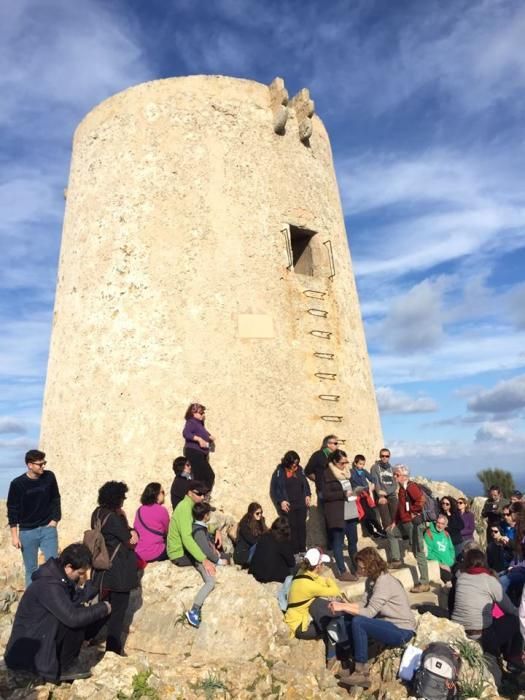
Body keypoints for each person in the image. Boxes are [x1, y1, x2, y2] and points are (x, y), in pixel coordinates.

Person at [5, 543, 110, 682]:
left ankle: (63, 662)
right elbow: (72, 617)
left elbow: (70, 600)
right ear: (68, 567)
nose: (82, 577)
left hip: (38, 637)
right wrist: (103, 608)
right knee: (77, 617)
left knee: (81, 612)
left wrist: (87, 593)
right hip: (27, 656)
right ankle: (64, 666)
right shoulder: (49, 585)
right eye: (80, 573)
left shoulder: (59, 578)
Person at [330, 547, 416, 688]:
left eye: (362, 567)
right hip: (388, 624)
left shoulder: (384, 582)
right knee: (349, 618)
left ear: (371, 566)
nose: (359, 570)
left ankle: (361, 672)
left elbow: (369, 613)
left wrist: (344, 607)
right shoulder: (371, 581)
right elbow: (362, 605)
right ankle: (350, 662)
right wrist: (342, 606)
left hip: (402, 630)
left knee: (359, 622)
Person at [451, 548, 523, 670]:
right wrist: (520, 614)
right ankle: (514, 658)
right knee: (516, 619)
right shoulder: (490, 580)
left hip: (458, 631)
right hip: (482, 635)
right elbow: (509, 609)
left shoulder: (460, 578)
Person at [90, 481, 139, 655]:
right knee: (118, 610)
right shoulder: (114, 518)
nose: (124, 499)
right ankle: (113, 647)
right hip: (118, 569)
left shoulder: (97, 513)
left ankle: (88, 636)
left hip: (102, 568)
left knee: (103, 606)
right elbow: (129, 540)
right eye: (122, 496)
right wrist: (133, 531)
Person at [7, 449, 61, 587]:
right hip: (27, 532)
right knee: (31, 569)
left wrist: (55, 520)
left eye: (44, 463)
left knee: (53, 567)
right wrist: (14, 536)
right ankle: (31, 604)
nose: (43, 466)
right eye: (40, 464)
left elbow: (55, 498)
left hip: (47, 529)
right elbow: (12, 510)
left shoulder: (49, 477)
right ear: (30, 465)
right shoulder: (17, 484)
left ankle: (53, 600)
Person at [167, 482, 218, 628]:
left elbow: (199, 524)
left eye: (204, 494)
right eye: (199, 494)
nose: (202, 497)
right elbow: (187, 538)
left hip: (184, 549)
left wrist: (216, 530)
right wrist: (204, 560)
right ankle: (195, 610)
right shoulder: (184, 508)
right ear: (190, 493)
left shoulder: (190, 506)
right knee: (210, 580)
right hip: (179, 553)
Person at [284, 547, 342, 669]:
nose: (323, 566)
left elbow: (318, 580)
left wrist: (324, 581)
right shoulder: (309, 586)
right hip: (300, 628)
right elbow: (335, 591)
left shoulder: (301, 573)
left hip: (296, 620)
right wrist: (330, 580)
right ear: (317, 566)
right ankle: (332, 656)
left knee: (320, 606)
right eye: (322, 564)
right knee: (331, 622)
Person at [385, 465, 430, 593]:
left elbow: (421, 500)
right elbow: (400, 507)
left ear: (404, 476)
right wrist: (394, 521)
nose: (394, 476)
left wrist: (412, 511)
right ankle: (396, 559)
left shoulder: (411, 487)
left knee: (418, 553)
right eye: (394, 474)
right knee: (390, 532)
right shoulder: (401, 489)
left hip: (413, 524)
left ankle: (424, 583)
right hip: (404, 523)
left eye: (396, 475)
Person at [322, 450, 359, 582]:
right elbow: (325, 495)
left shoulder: (347, 473)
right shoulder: (327, 474)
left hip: (350, 511)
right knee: (338, 542)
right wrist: (343, 494)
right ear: (334, 462)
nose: (344, 465)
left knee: (353, 541)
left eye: (346, 462)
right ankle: (342, 571)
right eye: (342, 463)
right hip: (337, 513)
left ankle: (356, 567)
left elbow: (350, 487)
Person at [270, 451, 311, 555]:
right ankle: (295, 552)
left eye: (297, 463)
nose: (295, 465)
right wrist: (281, 501)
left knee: (301, 526)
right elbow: (276, 489)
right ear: (288, 462)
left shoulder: (299, 470)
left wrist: (307, 495)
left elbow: (305, 483)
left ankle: (302, 550)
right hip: (289, 506)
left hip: (301, 504)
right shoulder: (280, 472)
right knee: (292, 527)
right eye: (293, 463)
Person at [304, 435, 339, 548]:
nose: (337, 445)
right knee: (328, 516)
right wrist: (319, 480)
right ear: (328, 444)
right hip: (324, 491)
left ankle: (339, 540)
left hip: (338, 490)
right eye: (335, 443)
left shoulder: (337, 456)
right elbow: (307, 470)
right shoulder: (318, 456)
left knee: (338, 515)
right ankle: (331, 543)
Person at [248, 516, 295, 583]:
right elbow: (291, 563)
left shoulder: (264, 536)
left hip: (255, 573)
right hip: (270, 578)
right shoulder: (283, 541)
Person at [133, 482, 170, 563]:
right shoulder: (162, 510)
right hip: (156, 552)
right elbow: (168, 531)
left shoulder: (139, 510)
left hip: (139, 553)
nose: (164, 495)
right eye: (162, 492)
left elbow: (136, 528)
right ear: (156, 495)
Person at [350, 455, 385, 539]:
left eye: (363, 464)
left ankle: (380, 530)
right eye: (360, 464)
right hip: (358, 497)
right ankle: (372, 532)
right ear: (355, 463)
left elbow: (372, 479)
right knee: (364, 516)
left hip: (366, 496)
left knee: (372, 514)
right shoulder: (351, 472)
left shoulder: (364, 471)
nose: (361, 466)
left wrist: (372, 485)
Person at [182, 403, 215, 490]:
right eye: (201, 413)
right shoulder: (191, 422)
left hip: (200, 454)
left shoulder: (199, 425)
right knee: (205, 476)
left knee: (204, 476)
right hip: (194, 451)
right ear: (193, 413)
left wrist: (210, 437)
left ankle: (199, 495)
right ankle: (197, 495)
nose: (203, 415)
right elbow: (186, 433)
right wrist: (199, 439)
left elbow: (204, 435)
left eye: (203, 413)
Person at [192, 502, 230, 567]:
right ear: (205, 516)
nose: (211, 515)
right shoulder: (199, 532)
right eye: (209, 513)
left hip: (213, 553)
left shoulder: (200, 526)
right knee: (228, 560)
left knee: (229, 557)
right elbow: (206, 551)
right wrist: (219, 561)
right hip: (208, 557)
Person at [369, 448, 398, 530]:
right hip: (381, 495)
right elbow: (376, 482)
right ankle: (389, 534)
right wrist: (381, 495)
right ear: (380, 456)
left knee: (395, 515)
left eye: (387, 456)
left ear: (389, 457)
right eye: (382, 456)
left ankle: (396, 532)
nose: (384, 457)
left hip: (391, 494)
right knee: (386, 518)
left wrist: (387, 492)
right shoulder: (375, 468)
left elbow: (395, 484)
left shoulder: (392, 469)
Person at [233, 502, 268, 567]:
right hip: (243, 554)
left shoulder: (260, 523)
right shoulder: (244, 524)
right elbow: (252, 540)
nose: (260, 515)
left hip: (254, 553)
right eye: (257, 513)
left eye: (261, 513)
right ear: (251, 513)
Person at [424, 514, 456, 583]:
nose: (439, 525)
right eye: (438, 523)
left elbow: (451, 548)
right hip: (439, 566)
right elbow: (428, 553)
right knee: (449, 580)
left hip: (450, 564)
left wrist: (452, 560)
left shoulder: (446, 534)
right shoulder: (429, 534)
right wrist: (441, 564)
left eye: (442, 524)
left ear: (445, 525)